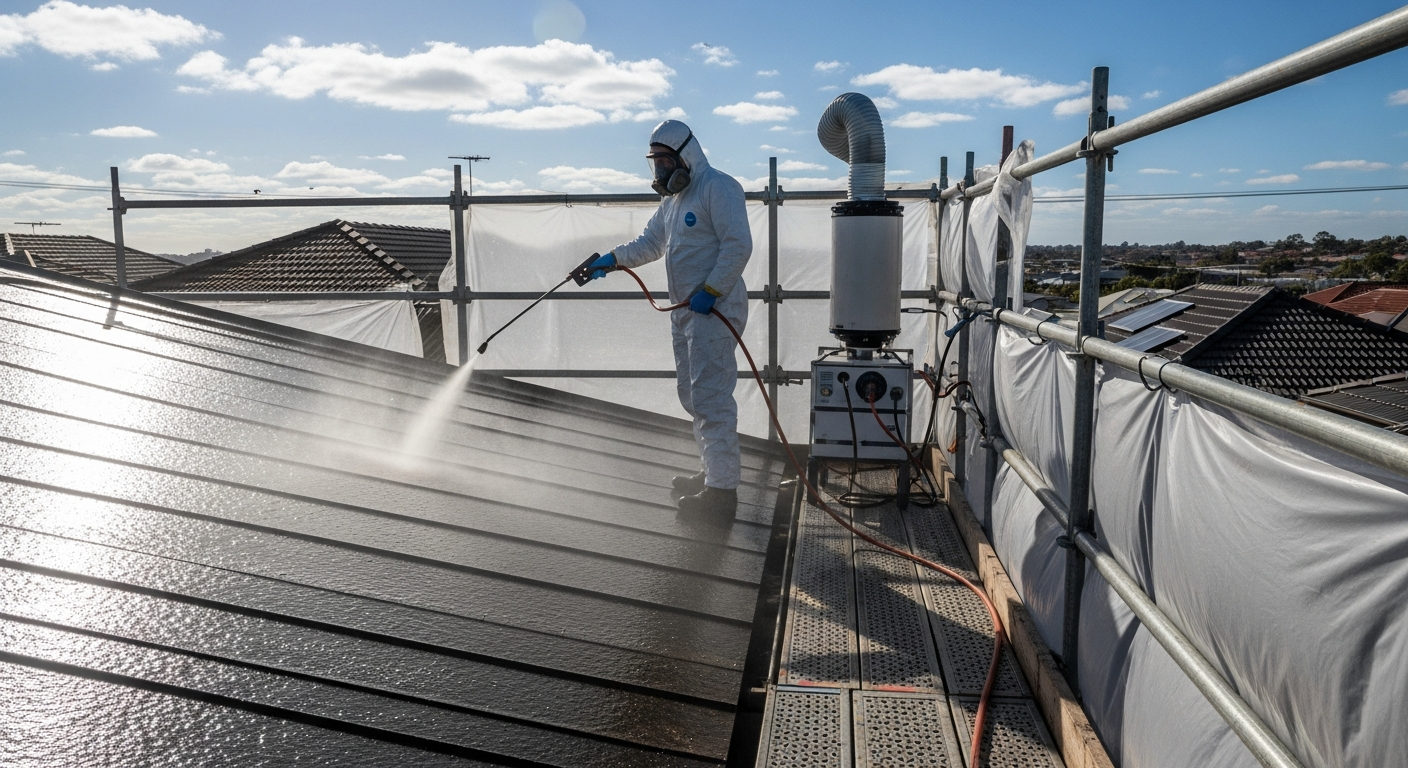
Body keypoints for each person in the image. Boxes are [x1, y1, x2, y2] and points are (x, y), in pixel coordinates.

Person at [585, 120, 752, 518]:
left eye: (665, 160)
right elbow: (651, 243)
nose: (660, 169)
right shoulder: (673, 202)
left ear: (685, 156)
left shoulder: (718, 188)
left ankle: (722, 494)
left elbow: (738, 245)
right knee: (693, 396)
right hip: (686, 312)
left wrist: (711, 290)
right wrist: (612, 260)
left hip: (715, 310)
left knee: (711, 398)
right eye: (655, 162)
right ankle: (712, 471)